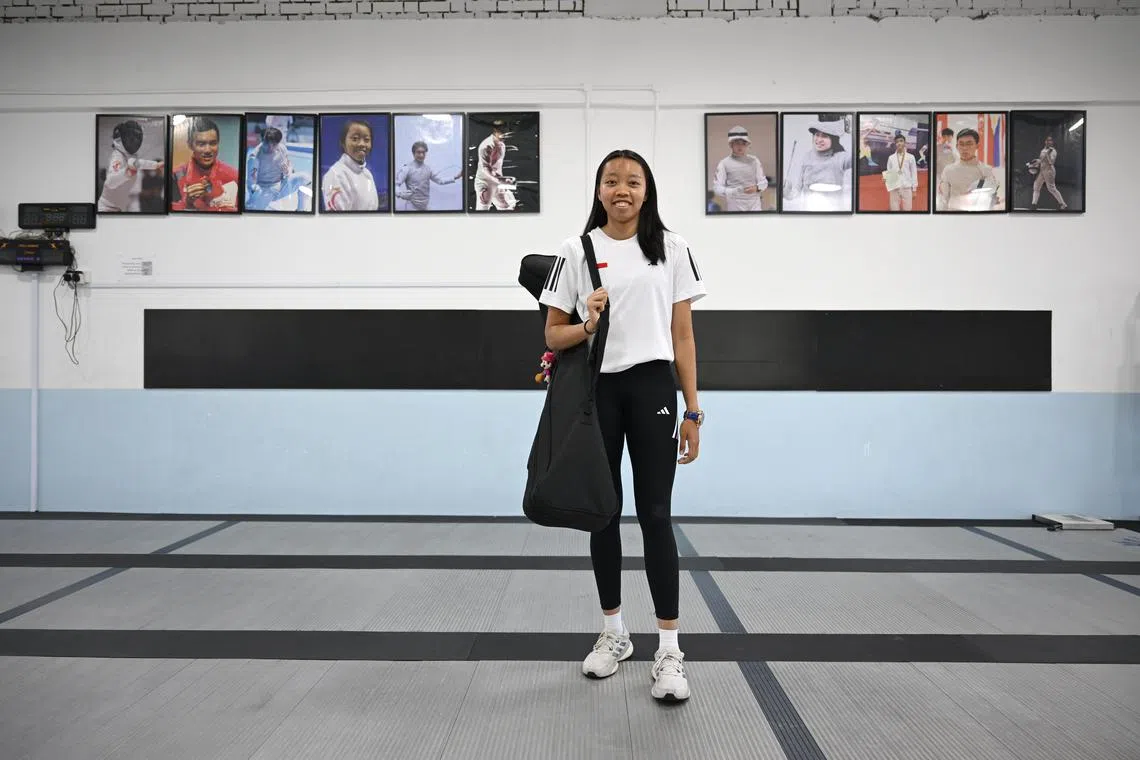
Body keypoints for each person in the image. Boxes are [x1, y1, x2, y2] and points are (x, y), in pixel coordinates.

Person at [538, 149, 707, 703]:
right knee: (602, 513)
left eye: (633, 182)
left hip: (654, 387)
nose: (622, 190)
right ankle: (614, 635)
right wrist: (587, 321)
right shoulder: (576, 251)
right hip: (598, 393)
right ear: (599, 190)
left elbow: (683, 336)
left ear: (646, 190)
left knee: (656, 515)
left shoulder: (674, 248)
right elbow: (553, 336)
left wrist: (693, 409)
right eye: (612, 181)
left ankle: (669, 650)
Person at [782, 116, 852, 211]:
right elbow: (796, 192)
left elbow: (860, 160)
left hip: (834, 214)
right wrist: (786, 192)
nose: (819, 140)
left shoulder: (842, 157)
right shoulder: (807, 157)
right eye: (817, 135)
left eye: (824, 136)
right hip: (810, 213)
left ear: (834, 139)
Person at [170, 116, 239, 213]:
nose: (207, 150)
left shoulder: (234, 176)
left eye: (213, 143)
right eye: (201, 144)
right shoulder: (175, 176)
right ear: (190, 145)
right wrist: (188, 203)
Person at [97, 119, 164, 213]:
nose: (135, 141)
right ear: (121, 138)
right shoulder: (117, 157)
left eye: (136, 138)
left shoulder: (131, 157)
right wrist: (127, 172)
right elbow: (110, 181)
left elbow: (140, 163)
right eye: (132, 138)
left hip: (130, 201)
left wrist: (156, 165)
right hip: (109, 206)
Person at [245, 126, 310, 211]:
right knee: (253, 211)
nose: (270, 148)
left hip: (280, 186)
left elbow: (289, 168)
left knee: (304, 178)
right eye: (267, 144)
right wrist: (255, 190)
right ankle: (251, 204)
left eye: (274, 144)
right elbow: (251, 183)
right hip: (264, 189)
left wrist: (287, 171)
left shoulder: (282, 149)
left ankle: (300, 210)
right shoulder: (255, 157)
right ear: (262, 140)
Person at [322, 119, 382, 212]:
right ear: (343, 143)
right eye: (355, 138)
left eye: (366, 140)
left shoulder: (368, 174)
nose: (362, 144)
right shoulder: (335, 175)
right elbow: (336, 220)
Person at [936, 128, 1003, 211]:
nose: (965, 148)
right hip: (953, 216)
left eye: (969, 144)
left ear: (977, 146)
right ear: (957, 146)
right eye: (961, 144)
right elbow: (943, 200)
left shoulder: (986, 170)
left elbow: (991, 201)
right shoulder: (948, 170)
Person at [712, 125, 768, 212]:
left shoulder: (755, 160)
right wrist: (732, 191)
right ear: (731, 144)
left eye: (743, 143)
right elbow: (717, 188)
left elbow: (764, 183)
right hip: (735, 207)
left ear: (747, 144)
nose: (740, 146)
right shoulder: (724, 163)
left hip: (755, 206)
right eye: (737, 143)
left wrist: (756, 188)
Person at [394, 141, 462, 211]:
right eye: (418, 152)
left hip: (426, 205)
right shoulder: (406, 168)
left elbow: (440, 181)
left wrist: (456, 177)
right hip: (412, 206)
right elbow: (395, 185)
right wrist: (400, 194)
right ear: (413, 153)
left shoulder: (428, 169)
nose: (421, 155)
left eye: (423, 152)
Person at [473, 120, 518, 211]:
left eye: (506, 131)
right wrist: (500, 180)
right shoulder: (486, 145)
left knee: (508, 206)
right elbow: (485, 168)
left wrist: (502, 180)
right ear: (495, 131)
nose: (505, 134)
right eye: (502, 131)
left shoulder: (502, 145)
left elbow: (497, 166)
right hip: (484, 182)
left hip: (497, 182)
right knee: (482, 210)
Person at [1028, 135, 1068, 210]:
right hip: (1042, 170)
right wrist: (1034, 162)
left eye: (1050, 140)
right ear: (1045, 141)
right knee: (1036, 186)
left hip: (1049, 170)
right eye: (1047, 140)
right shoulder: (1043, 150)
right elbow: (1041, 160)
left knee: (1051, 188)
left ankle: (1063, 204)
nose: (1048, 142)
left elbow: (1051, 162)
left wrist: (1048, 155)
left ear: (1052, 142)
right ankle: (1033, 205)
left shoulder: (1053, 151)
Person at [883, 132, 919, 211]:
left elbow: (914, 173)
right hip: (894, 188)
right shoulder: (891, 158)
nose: (899, 143)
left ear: (905, 143)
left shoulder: (910, 157)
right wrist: (886, 179)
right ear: (895, 144)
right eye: (897, 142)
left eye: (901, 141)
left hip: (907, 187)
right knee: (894, 210)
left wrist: (914, 190)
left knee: (908, 210)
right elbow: (889, 172)